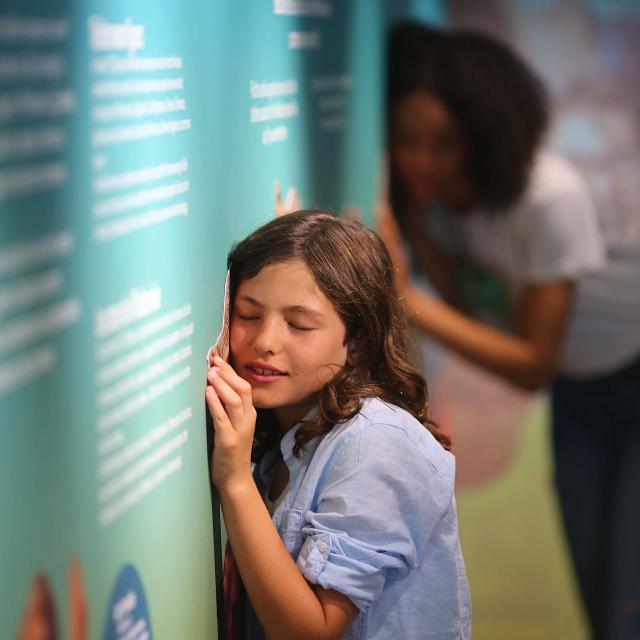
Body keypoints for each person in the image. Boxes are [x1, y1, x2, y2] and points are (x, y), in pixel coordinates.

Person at [382, 22, 640, 640]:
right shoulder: (442, 201)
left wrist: (406, 295)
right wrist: (415, 232)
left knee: (626, 601)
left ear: (482, 135)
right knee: (597, 587)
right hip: (583, 397)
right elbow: (477, 311)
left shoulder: (550, 196)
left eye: (442, 143)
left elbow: (531, 364)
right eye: (406, 140)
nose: (420, 158)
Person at [205, 211, 471, 640]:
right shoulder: (280, 436)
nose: (266, 341)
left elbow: (312, 632)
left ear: (358, 340)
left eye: (300, 324)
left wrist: (235, 481)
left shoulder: (376, 443)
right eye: (249, 315)